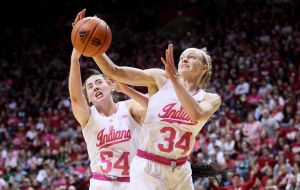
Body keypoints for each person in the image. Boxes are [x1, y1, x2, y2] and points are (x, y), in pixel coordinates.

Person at [91, 41, 222, 189]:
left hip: (180, 170)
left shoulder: (210, 98)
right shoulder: (161, 79)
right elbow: (114, 71)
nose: (184, 59)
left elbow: (197, 114)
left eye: (191, 57)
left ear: (204, 68)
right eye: (182, 57)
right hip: (149, 167)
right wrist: (92, 47)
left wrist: (174, 79)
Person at [69, 9, 147, 189]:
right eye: (89, 87)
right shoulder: (88, 118)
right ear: (88, 96)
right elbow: (74, 97)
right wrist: (76, 54)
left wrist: (129, 89)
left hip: (133, 183)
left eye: (98, 82)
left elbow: (154, 106)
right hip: (102, 184)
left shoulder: (130, 108)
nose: (94, 87)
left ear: (111, 86)